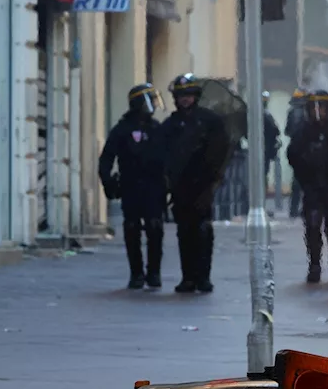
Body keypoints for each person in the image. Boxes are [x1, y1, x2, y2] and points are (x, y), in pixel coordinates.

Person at [163, 73, 232, 294]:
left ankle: (204, 277)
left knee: (203, 230)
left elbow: (221, 150)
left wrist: (212, 178)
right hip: (180, 186)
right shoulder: (170, 124)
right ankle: (188, 277)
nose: (185, 99)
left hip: (203, 184)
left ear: (196, 96)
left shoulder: (210, 121)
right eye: (181, 96)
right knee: (184, 232)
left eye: (189, 95)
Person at [98, 82, 168, 290]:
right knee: (132, 228)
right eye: (150, 101)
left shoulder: (157, 129)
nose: (154, 106)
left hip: (154, 187)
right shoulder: (122, 130)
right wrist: (108, 182)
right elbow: (106, 159)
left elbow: (169, 157)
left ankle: (154, 272)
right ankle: (136, 273)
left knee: (155, 228)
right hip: (131, 185)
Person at [288, 90, 328, 284]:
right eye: (314, 108)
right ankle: (315, 264)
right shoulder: (303, 131)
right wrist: (305, 175)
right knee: (312, 227)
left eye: (322, 108)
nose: (318, 112)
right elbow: (293, 154)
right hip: (312, 188)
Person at [285, 89, 308, 218]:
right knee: (307, 183)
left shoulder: (291, 113)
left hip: (295, 149)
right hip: (306, 150)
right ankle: (303, 209)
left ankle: (293, 210)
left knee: (296, 182)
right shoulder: (308, 113)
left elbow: (287, 131)